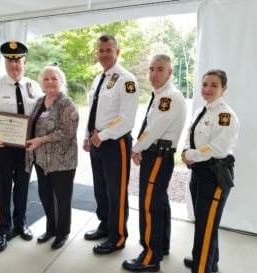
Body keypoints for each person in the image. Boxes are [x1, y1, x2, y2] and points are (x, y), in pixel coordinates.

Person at [0, 41, 44, 252]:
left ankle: (20, 223)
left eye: (18, 60)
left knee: (22, 187)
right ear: (5, 62)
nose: (14, 65)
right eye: (9, 60)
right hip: (1, 148)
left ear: (25, 61)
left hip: (25, 148)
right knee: (3, 189)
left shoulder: (34, 86)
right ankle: (2, 230)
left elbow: (40, 115)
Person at [122, 54, 187, 272]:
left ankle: (150, 256)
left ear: (170, 72)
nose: (153, 74)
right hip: (156, 154)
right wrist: (141, 148)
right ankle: (162, 245)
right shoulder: (160, 95)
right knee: (159, 203)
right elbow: (150, 126)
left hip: (158, 157)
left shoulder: (169, 97)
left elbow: (153, 130)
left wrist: (135, 149)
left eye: (160, 69)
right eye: (151, 69)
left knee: (149, 206)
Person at [83, 35, 138, 254]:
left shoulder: (127, 79)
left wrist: (102, 136)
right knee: (101, 189)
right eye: (101, 50)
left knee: (116, 192)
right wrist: (88, 135)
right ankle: (105, 225)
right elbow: (94, 111)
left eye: (108, 50)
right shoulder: (99, 78)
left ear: (118, 51)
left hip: (115, 144)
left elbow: (127, 119)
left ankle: (117, 237)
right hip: (97, 142)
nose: (104, 54)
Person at [181, 69, 240, 273]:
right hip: (200, 172)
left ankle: (202, 267)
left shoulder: (224, 115)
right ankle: (209, 260)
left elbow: (218, 148)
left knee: (205, 227)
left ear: (224, 88)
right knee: (205, 222)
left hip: (214, 176)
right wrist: (186, 152)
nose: (207, 89)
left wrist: (191, 155)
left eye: (214, 85)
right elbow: (192, 136)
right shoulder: (203, 109)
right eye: (205, 84)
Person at [25, 65, 79, 250]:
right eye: (46, 78)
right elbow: (31, 126)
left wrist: (41, 139)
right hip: (42, 160)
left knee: (62, 198)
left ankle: (62, 233)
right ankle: (51, 228)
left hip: (63, 160)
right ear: (41, 82)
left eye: (54, 78)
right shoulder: (40, 102)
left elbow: (68, 132)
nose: (50, 82)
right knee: (45, 195)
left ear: (61, 82)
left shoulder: (66, 103)